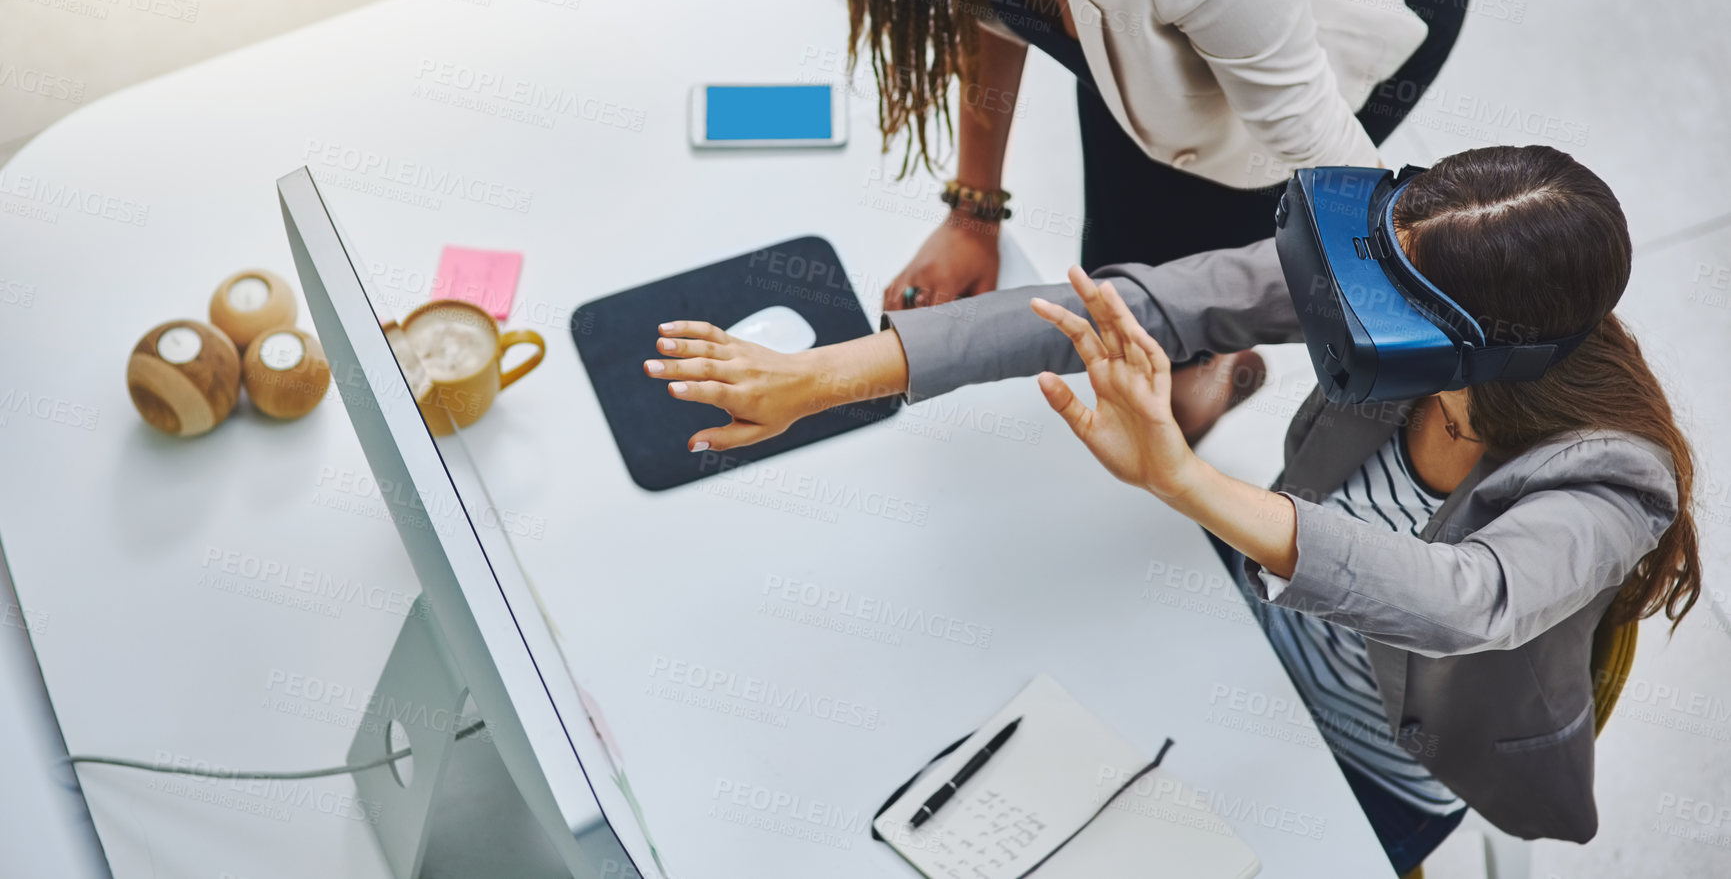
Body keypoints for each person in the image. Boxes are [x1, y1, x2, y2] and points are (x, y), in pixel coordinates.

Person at [640, 145, 1700, 874]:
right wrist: (823, 377)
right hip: (1237, 628)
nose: (1352, 302)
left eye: (1392, 295)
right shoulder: (1402, 295)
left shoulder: (1616, 476)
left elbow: (1468, 600)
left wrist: (1182, 482)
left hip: (1372, 766)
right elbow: (1131, 310)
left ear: (1483, 342)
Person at [838, 0, 1472, 441]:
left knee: (1183, 272)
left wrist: (1421, 342)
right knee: (1119, 272)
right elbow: (989, 17)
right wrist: (972, 214)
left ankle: (1211, 371)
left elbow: (1315, 142)